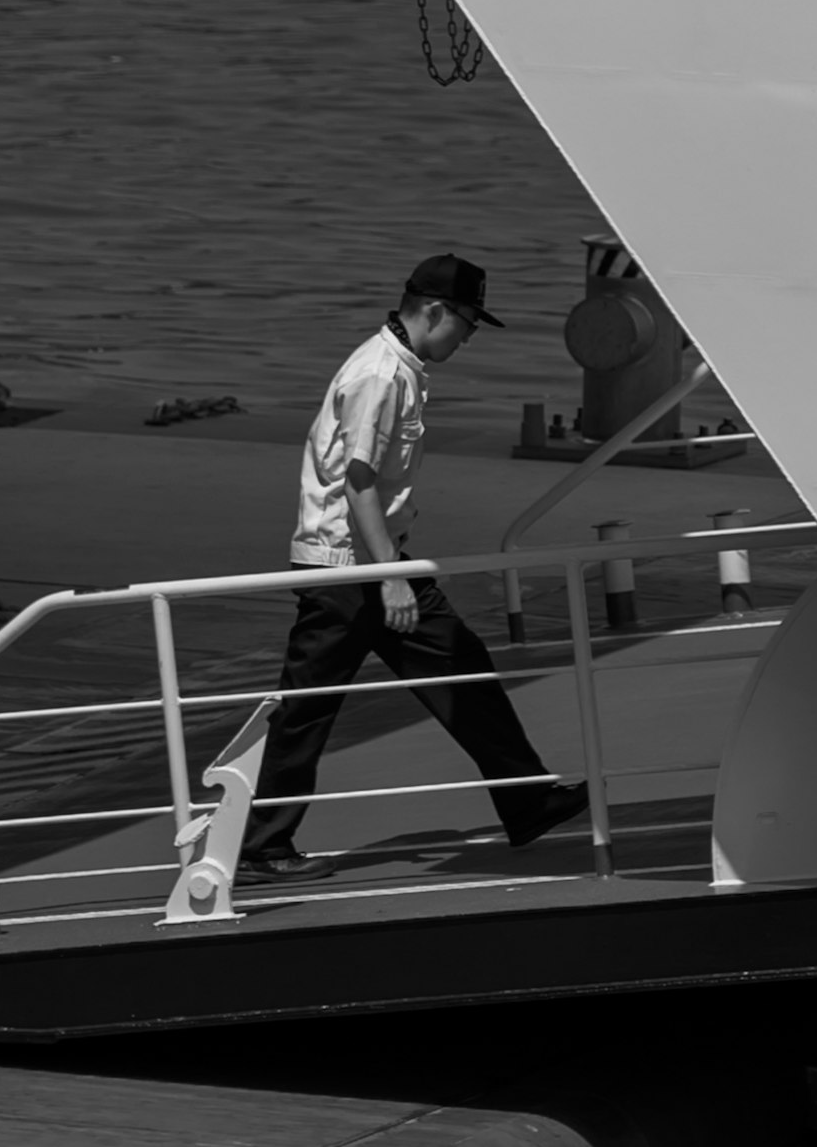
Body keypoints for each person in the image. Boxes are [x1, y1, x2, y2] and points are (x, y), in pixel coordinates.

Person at [243, 254, 587, 876]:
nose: (471, 335)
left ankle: (528, 800)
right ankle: (260, 847)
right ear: (435, 311)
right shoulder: (379, 374)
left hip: (374, 559)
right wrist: (391, 576)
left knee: (462, 663)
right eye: (470, 322)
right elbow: (359, 484)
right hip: (344, 572)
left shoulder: (402, 368)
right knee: (308, 707)